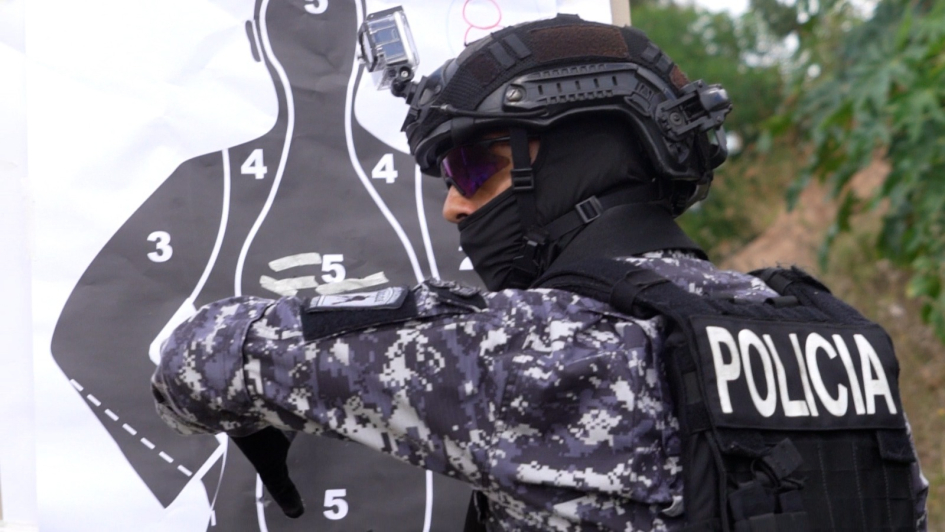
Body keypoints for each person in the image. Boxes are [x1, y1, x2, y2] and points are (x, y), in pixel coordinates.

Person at [151, 15, 928, 531]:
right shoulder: (842, 337)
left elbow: (201, 356)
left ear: (571, 160)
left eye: (469, 164)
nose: (454, 206)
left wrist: (255, 405)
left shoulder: (544, 348)